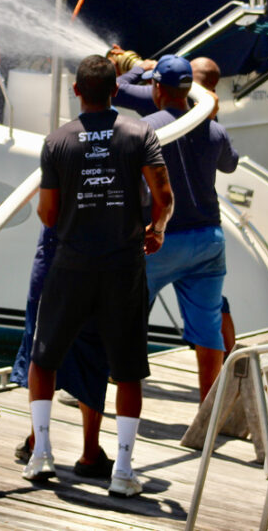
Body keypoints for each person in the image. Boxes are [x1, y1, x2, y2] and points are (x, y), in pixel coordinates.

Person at [25, 54, 174, 499]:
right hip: (123, 267)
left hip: (71, 265)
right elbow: (164, 197)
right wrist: (156, 230)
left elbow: (47, 213)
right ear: (115, 90)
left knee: (44, 359)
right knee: (128, 370)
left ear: (76, 91)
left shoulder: (57, 141)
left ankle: (41, 453)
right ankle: (123, 471)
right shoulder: (139, 133)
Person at [113, 54, 239, 402]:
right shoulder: (214, 129)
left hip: (159, 240)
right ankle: (209, 412)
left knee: (126, 322)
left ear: (157, 88)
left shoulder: (143, 129)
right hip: (208, 240)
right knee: (208, 330)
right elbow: (230, 164)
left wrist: (135, 68)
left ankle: (119, 406)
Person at [11, 225, 114, 479]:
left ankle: (38, 445)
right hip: (101, 263)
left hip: (56, 261)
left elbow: (48, 212)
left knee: (43, 354)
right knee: (93, 357)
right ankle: (90, 452)